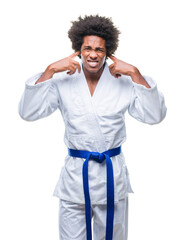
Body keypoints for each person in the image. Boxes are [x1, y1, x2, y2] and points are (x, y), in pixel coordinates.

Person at [18, 15, 167, 240]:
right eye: (87, 48)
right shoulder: (62, 80)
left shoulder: (124, 80)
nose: (93, 54)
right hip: (75, 178)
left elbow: (155, 116)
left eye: (99, 49)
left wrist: (135, 73)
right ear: (78, 49)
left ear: (108, 51)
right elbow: (27, 112)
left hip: (111, 177)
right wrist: (49, 70)